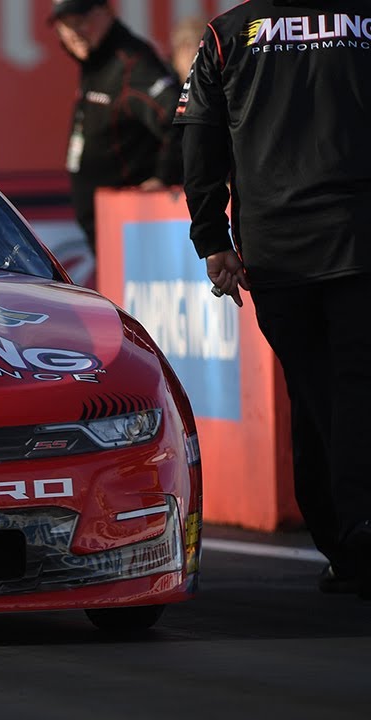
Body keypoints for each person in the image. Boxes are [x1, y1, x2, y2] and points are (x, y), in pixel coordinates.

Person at [175, 0, 371, 598]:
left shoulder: (227, 33)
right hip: (358, 240)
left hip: (277, 252)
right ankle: (357, 530)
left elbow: (198, 140)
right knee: (354, 388)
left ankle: (342, 540)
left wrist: (212, 237)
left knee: (313, 394)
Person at [50, 0, 183, 254]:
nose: (74, 33)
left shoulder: (130, 62)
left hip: (136, 231)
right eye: (65, 26)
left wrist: (163, 178)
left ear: (106, 12)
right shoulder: (95, 60)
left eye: (81, 22)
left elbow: (180, 120)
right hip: (108, 229)